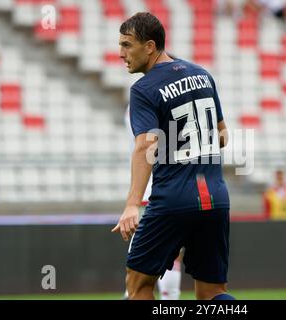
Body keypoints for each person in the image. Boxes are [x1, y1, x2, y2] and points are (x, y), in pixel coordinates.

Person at [112, 12, 234, 301]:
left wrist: (131, 205)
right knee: (212, 292)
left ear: (150, 46)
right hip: (216, 197)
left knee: (138, 284)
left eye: (127, 45)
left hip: (174, 199)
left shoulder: (144, 89)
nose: (121, 54)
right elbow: (223, 135)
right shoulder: (203, 75)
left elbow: (145, 147)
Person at [123, 106, 182, 300]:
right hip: (163, 187)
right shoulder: (153, 101)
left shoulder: (142, 102)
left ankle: (134, 294)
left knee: (143, 260)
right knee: (170, 254)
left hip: (154, 189)